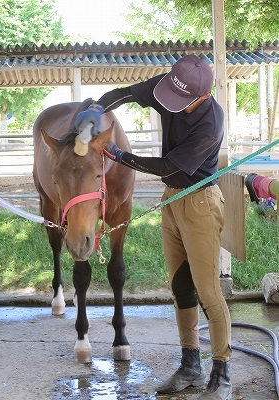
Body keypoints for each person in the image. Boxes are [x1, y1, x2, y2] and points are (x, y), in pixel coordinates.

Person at [75, 54, 232, 400]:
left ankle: (221, 372)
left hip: (199, 199)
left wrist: (116, 153)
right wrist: (96, 110)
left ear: (202, 97)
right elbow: (125, 94)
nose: (169, 105)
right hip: (172, 201)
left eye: (180, 102)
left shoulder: (211, 122)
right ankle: (191, 365)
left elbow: (169, 169)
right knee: (180, 287)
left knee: (208, 292)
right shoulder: (170, 86)